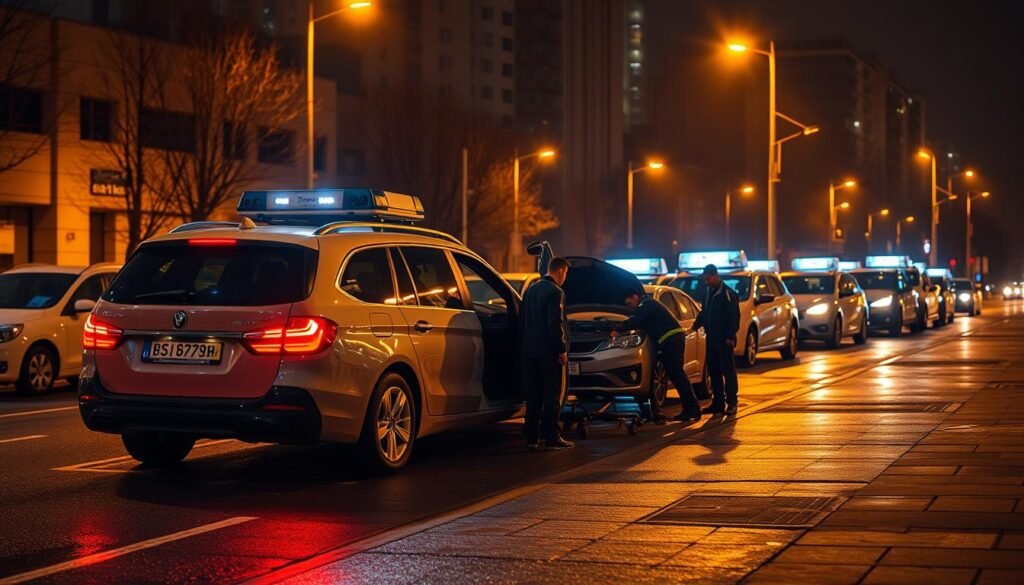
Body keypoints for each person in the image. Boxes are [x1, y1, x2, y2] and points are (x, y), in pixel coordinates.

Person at [622, 289, 702, 424]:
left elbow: (634, 322)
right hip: (670, 341)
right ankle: (691, 408)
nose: (631, 306)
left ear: (635, 296)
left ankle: (692, 408)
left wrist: (617, 326)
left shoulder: (648, 304)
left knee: (677, 374)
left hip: (672, 340)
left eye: (630, 303)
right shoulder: (647, 305)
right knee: (676, 374)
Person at [520, 257, 575, 451]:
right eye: (566, 273)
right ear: (561, 271)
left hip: (529, 351)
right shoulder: (555, 292)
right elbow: (555, 323)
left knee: (533, 394)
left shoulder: (531, 290)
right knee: (552, 394)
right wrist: (561, 349)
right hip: (548, 352)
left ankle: (531, 438)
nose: (565, 278)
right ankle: (552, 436)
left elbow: (523, 320)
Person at [692, 264, 741, 415]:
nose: (706, 282)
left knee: (728, 371)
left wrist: (730, 336)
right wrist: (695, 325)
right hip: (711, 339)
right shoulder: (708, 292)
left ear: (715, 276)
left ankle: (731, 403)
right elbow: (704, 312)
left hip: (723, 340)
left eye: (708, 279)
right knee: (713, 371)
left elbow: (734, 317)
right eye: (705, 279)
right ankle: (718, 403)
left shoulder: (727, 293)